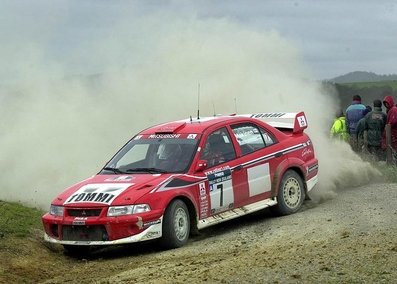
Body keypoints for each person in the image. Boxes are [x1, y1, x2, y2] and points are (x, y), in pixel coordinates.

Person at [381, 94, 397, 161]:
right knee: (391, 149)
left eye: (387, 103)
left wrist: (387, 126)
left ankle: (392, 164)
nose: (386, 105)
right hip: (391, 133)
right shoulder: (390, 110)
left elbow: (393, 121)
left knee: (393, 150)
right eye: (385, 104)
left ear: (390, 102)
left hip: (393, 133)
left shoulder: (394, 109)